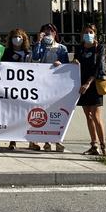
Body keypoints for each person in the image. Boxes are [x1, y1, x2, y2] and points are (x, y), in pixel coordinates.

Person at [31, 23, 69, 152]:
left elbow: (67, 67)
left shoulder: (61, 48)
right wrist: (38, 41)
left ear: (55, 33)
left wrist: (61, 64)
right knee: (42, 112)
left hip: (55, 86)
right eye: (45, 32)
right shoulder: (40, 46)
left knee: (56, 113)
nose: (48, 34)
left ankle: (58, 141)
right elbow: (35, 57)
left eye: (50, 31)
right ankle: (45, 141)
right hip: (41, 85)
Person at [74, 24, 106, 157]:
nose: (88, 34)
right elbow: (76, 62)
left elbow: (99, 67)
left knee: (96, 116)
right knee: (88, 116)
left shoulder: (99, 48)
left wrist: (88, 83)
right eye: (86, 32)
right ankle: (94, 145)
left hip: (94, 85)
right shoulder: (80, 48)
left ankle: (104, 146)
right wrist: (75, 62)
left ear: (95, 34)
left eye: (91, 32)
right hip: (82, 85)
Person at [1, 28, 32, 151]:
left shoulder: (28, 53)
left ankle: (31, 141)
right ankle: (12, 141)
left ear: (23, 39)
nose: (17, 39)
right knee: (12, 114)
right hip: (11, 88)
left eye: (19, 37)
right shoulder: (7, 52)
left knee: (26, 115)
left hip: (25, 88)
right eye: (14, 37)